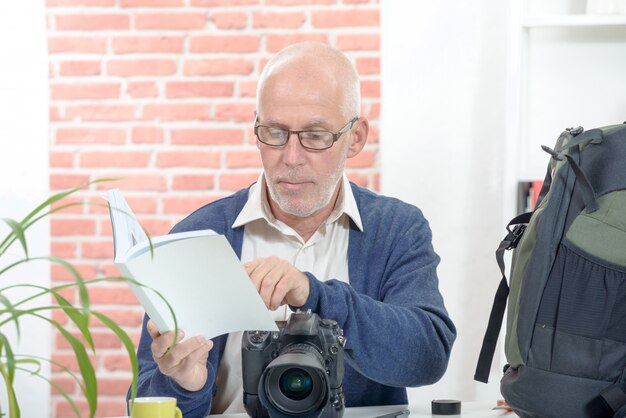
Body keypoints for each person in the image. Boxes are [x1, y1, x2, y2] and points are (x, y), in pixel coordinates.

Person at [128, 42, 456, 418]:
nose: (292, 157)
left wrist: (312, 293)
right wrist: (183, 384)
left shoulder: (396, 229)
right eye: (275, 132)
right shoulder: (200, 235)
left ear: (356, 137)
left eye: (316, 136)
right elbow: (143, 405)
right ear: (255, 130)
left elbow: (427, 358)